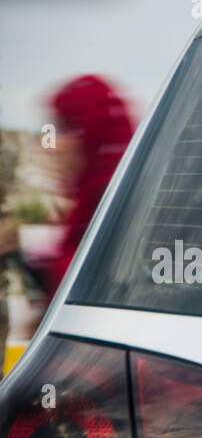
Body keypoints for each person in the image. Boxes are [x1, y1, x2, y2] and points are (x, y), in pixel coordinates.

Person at [45, 74, 135, 293]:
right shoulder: (85, 213)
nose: (53, 145)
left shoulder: (112, 216)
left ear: (95, 135)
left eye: (67, 129)